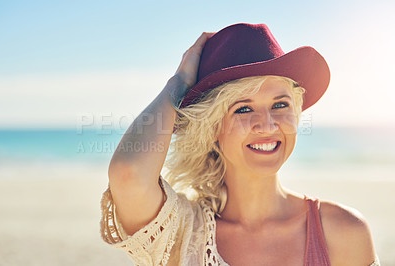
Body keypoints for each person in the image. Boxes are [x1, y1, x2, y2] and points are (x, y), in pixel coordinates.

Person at [100, 23, 380, 265]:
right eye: (243, 109)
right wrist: (179, 84)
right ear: (211, 129)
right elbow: (129, 175)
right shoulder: (182, 233)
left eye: (280, 105)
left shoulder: (342, 231)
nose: (268, 125)